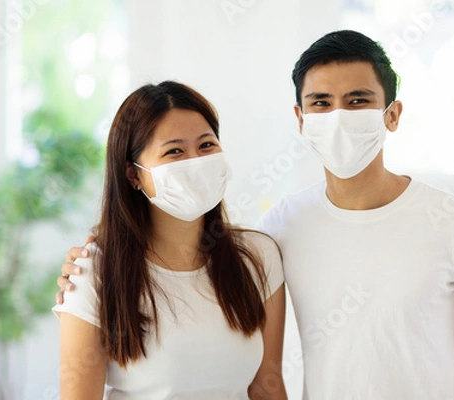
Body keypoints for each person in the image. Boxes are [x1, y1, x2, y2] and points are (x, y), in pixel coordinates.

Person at [58, 31, 454, 399]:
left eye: (358, 101)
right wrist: (88, 270)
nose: (338, 117)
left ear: (391, 114)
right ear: (300, 117)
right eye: (321, 103)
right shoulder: (280, 228)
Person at [52, 81, 287, 400]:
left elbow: (267, 385)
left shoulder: (258, 256)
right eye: (174, 151)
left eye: (206, 145)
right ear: (133, 175)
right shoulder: (93, 272)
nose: (196, 161)